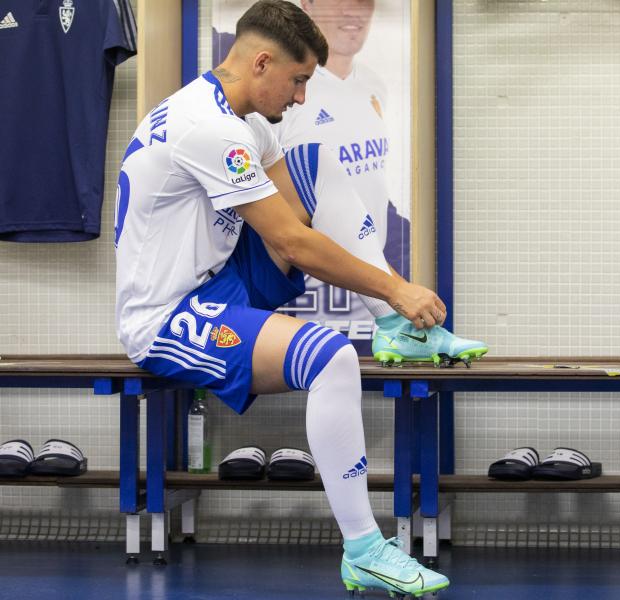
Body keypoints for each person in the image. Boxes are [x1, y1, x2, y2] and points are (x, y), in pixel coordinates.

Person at [114, 1, 485, 595]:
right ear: (262, 62)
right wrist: (396, 282)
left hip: (220, 279)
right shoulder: (206, 128)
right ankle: (364, 548)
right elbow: (291, 241)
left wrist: (385, 294)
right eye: (299, 80)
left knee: (318, 162)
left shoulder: (244, 121)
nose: (302, 98)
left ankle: (391, 325)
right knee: (331, 357)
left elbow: (298, 207)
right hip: (168, 315)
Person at [268, 0, 406, 354]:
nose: (352, 14)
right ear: (308, 6)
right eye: (339, 2)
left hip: (376, 287)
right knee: (326, 369)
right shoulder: (282, 98)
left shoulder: (375, 85)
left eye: (363, 3)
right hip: (309, 289)